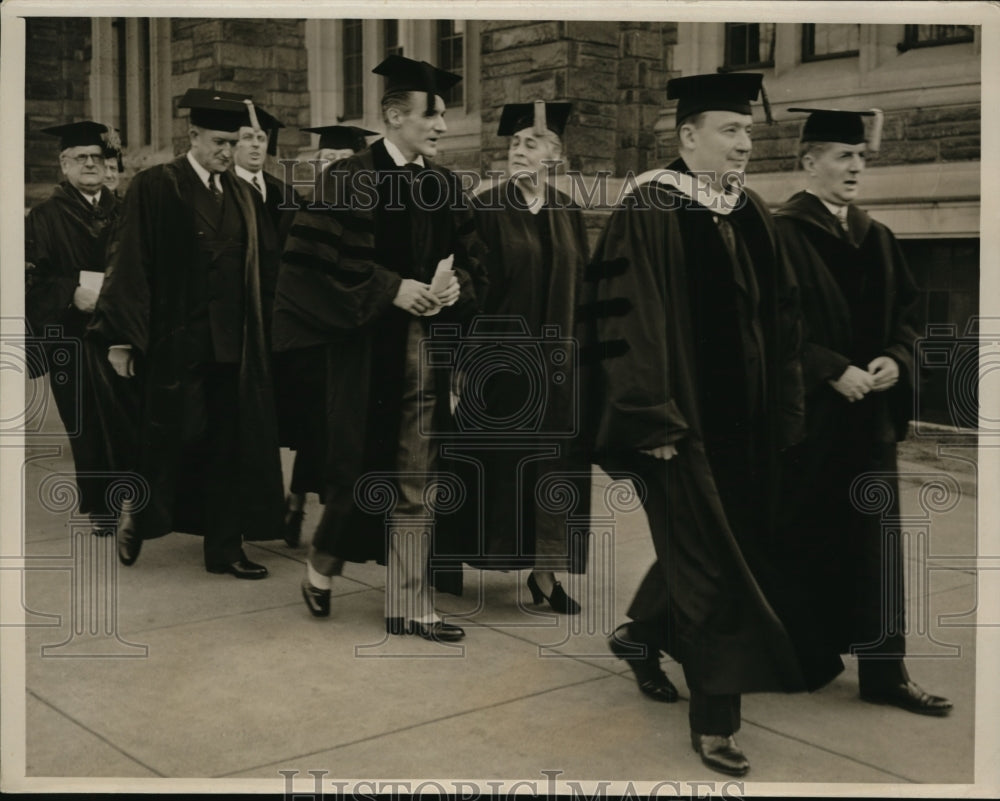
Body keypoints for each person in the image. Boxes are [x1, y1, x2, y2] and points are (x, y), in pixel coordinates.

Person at [582, 73, 842, 775]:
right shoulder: (651, 208)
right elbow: (627, 323)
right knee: (710, 566)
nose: (745, 144)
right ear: (687, 135)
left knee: (724, 544)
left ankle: (640, 636)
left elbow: (784, 319)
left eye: (749, 133)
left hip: (747, 426)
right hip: (677, 426)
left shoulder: (751, 210)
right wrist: (650, 418)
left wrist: (786, 410)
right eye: (731, 131)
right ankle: (716, 717)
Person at [274, 55, 487, 641]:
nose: (443, 126)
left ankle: (410, 605)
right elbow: (308, 272)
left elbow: (474, 263)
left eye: (444, 115)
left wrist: (451, 290)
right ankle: (320, 570)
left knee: (419, 477)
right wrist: (392, 288)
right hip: (363, 354)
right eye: (433, 115)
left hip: (425, 353)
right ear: (395, 115)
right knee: (353, 477)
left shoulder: (444, 185)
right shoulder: (348, 177)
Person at [773, 108, 952, 716]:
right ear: (808, 162)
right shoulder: (781, 235)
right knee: (805, 539)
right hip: (810, 423)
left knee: (876, 549)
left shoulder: (877, 237)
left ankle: (885, 672)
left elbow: (905, 318)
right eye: (842, 155)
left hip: (868, 424)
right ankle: (803, 655)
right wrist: (828, 368)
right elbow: (765, 328)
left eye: (861, 157)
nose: (854, 167)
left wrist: (897, 360)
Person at [88, 89, 284, 579]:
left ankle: (225, 550)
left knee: (229, 445)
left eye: (234, 142)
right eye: (219, 141)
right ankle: (138, 509)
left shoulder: (240, 193)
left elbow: (263, 269)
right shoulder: (157, 186)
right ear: (192, 136)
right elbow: (129, 261)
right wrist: (121, 338)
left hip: (232, 345)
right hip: (176, 342)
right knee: (175, 435)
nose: (227, 151)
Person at [433, 101, 589, 614]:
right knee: (487, 467)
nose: (520, 150)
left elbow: (584, 289)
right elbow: (471, 288)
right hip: (500, 367)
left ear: (556, 155)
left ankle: (545, 575)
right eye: (514, 143)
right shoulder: (486, 207)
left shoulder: (569, 211)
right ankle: (449, 557)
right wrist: (462, 360)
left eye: (532, 142)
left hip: (559, 366)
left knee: (554, 470)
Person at [272, 125, 375, 547]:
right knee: (313, 430)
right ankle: (295, 504)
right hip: (309, 342)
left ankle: (319, 516)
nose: (327, 167)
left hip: (349, 336)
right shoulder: (304, 207)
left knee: (338, 437)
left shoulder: (370, 207)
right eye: (322, 160)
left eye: (337, 160)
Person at [25, 121, 122, 536]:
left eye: (96, 157)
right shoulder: (44, 216)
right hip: (70, 334)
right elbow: (28, 279)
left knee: (125, 413)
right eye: (80, 157)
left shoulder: (125, 208)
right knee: (86, 421)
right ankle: (103, 506)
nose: (89, 164)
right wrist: (70, 293)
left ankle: (131, 494)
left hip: (120, 328)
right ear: (64, 164)